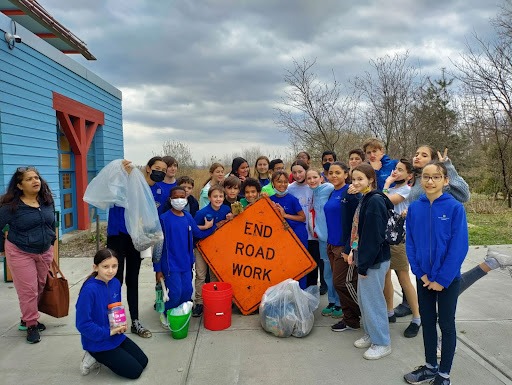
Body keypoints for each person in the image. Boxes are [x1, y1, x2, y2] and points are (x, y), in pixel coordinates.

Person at [403, 161, 469, 385]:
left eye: (436, 177)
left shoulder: (454, 208)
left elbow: (459, 247)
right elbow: (410, 242)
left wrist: (441, 279)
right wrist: (420, 273)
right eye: (426, 177)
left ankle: (444, 374)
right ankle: (430, 367)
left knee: (446, 325)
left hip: (447, 280)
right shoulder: (415, 207)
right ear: (421, 180)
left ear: (445, 180)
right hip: (423, 278)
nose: (430, 181)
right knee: (428, 322)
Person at [106, 157, 167, 338]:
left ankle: (135, 321)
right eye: (157, 168)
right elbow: (110, 192)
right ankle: (115, 323)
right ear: (148, 168)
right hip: (117, 235)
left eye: (164, 169)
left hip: (135, 238)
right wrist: (120, 174)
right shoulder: (126, 182)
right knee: (115, 279)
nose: (160, 172)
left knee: (133, 278)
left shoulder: (154, 190)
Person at [0, 166, 56, 344]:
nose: (35, 181)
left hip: (44, 251)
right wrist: (2, 247)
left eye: (37, 177)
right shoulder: (10, 207)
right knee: (28, 290)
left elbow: (50, 223)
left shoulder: (47, 201)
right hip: (20, 251)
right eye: (29, 179)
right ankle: (31, 325)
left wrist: (52, 241)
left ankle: (27, 317)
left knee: (39, 286)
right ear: (20, 185)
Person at [76, 248, 148, 379]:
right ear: (95, 267)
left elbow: (115, 307)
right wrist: (108, 332)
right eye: (105, 267)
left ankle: (107, 354)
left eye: (114, 266)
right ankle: (92, 354)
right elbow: (83, 324)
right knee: (135, 372)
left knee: (143, 361)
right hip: (97, 340)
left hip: (115, 334)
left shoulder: (115, 283)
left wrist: (120, 324)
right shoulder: (89, 290)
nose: (110, 271)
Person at [349, 163, 392, 360]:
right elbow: (360, 231)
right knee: (365, 301)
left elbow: (374, 237)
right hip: (365, 257)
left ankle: (382, 342)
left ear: (371, 180)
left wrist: (364, 264)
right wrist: (354, 251)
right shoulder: (365, 198)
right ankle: (370, 334)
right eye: (354, 179)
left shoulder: (374, 201)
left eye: (360, 179)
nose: (356, 183)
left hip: (373, 260)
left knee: (374, 302)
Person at [156, 187, 214, 325]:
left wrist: (212, 227)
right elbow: (157, 246)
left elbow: (197, 234)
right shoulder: (164, 219)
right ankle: (165, 312)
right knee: (175, 293)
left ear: (186, 199)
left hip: (186, 264)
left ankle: (179, 315)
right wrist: (157, 269)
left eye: (182, 197)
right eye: (176, 197)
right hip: (170, 265)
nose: (179, 200)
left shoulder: (188, 217)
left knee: (187, 292)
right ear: (170, 200)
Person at [382, 159, 421, 338]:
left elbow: (384, 202)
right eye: (394, 169)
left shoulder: (406, 190)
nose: (395, 172)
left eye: (400, 170)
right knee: (385, 276)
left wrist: (387, 182)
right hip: (385, 238)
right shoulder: (391, 189)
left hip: (398, 240)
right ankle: (389, 312)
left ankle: (417, 317)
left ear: (410, 175)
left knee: (403, 278)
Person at [325, 162, 360, 330]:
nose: (334, 176)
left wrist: (349, 247)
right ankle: (350, 320)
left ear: (346, 174)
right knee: (339, 284)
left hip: (343, 246)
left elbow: (357, 221)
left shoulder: (351, 192)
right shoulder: (333, 192)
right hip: (331, 244)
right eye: (331, 173)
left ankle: (362, 314)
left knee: (342, 283)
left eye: (338, 172)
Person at [192, 185, 233, 317]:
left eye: (221, 196)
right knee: (201, 275)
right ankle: (199, 302)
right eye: (215, 196)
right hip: (201, 247)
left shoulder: (227, 209)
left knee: (215, 275)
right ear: (209, 197)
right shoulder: (201, 213)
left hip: (217, 248)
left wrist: (232, 218)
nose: (218, 199)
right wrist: (211, 227)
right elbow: (194, 229)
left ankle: (214, 300)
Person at [306, 168, 341, 315]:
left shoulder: (328, 188)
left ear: (321, 178)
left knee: (336, 273)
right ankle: (332, 301)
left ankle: (340, 304)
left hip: (333, 239)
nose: (312, 180)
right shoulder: (313, 193)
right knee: (327, 273)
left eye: (315, 177)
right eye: (309, 178)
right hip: (321, 239)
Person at [269, 171, 308, 289]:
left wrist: (285, 215)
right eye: (279, 181)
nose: (282, 184)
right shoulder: (269, 200)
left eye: (285, 182)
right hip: (280, 237)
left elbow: (302, 217)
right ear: (273, 183)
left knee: (299, 265)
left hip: (297, 234)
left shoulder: (292, 199)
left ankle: (300, 294)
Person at [288, 160, 320, 291]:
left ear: (306, 171)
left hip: (314, 232)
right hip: (298, 232)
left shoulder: (314, 186)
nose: (297, 175)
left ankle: (312, 291)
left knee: (313, 262)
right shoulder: (290, 188)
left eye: (300, 172)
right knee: (300, 263)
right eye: (294, 172)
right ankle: (299, 290)